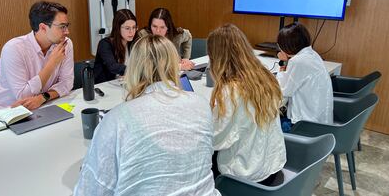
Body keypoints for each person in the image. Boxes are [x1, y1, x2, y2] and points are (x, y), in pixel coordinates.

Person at [74, 35, 220, 196]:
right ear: (174, 65)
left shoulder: (117, 119)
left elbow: (90, 190)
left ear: (133, 67)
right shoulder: (201, 105)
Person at [208, 24, 286, 185]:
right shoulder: (264, 77)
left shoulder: (231, 92)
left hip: (245, 178)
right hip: (272, 167)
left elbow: (215, 140)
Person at [0, 1, 74, 111]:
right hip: (5, 111)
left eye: (67, 26)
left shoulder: (66, 43)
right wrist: (51, 64)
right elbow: (23, 96)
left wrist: (43, 97)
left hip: (40, 106)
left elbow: (67, 83)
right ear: (43, 27)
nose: (67, 32)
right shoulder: (14, 48)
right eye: (62, 27)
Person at [276, 22, 333, 132]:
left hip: (304, 127)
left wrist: (283, 62)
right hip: (321, 123)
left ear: (286, 46)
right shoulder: (312, 54)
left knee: (266, 126)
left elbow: (282, 90)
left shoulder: (298, 61)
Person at [94, 9, 137, 84]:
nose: (132, 32)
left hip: (125, 84)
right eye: (127, 28)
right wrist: (136, 71)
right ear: (117, 28)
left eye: (134, 27)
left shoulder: (134, 42)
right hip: (105, 87)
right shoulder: (105, 44)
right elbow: (113, 66)